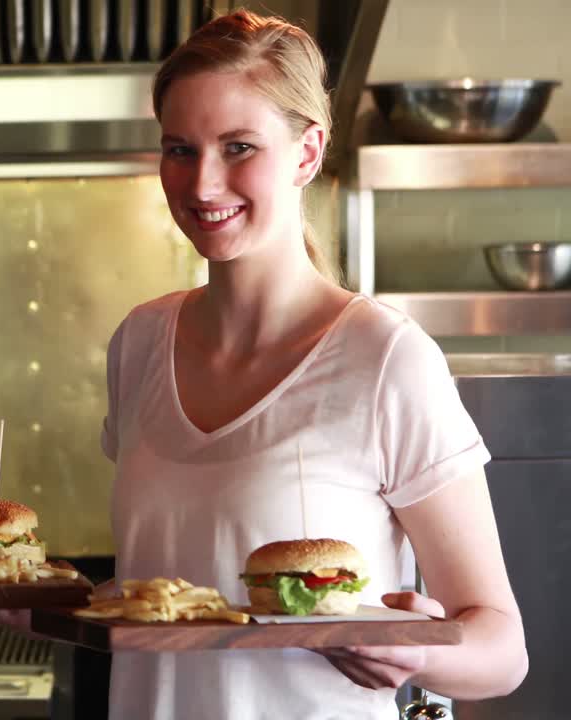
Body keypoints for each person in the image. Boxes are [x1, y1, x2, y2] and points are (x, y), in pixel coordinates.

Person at [91, 9, 527, 719]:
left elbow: (503, 650)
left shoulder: (384, 358)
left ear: (306, 152)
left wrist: (420, 654)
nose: (202, 184)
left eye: (237, 147)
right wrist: (33, 607)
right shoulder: (140, 342)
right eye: (180, 149)